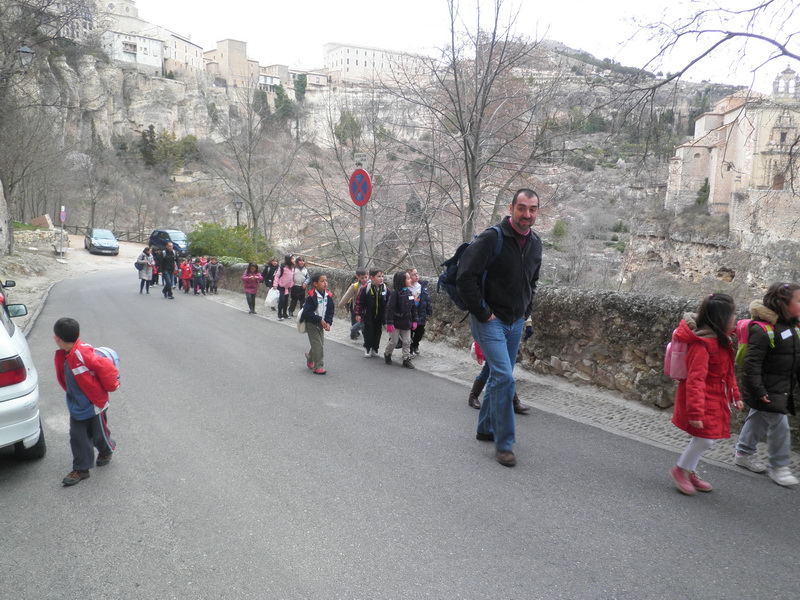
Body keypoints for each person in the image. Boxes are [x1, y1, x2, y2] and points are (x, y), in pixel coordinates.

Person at [456, 188, 542, 467]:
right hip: (489, 320)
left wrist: (526, 312)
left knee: (496, 373)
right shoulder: (492, 238)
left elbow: (532, 282)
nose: (527, 214)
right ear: (511, 208)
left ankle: (485, 428)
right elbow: (464, 277)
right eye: (522, 208)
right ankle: (505, 443)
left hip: (516, 321)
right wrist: (483, 312)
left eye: (532, 209)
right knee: (505, 377)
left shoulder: (536, 243)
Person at [669, 293, 744, 495]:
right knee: (705, 439)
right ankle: (680, 470)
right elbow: (695, 381)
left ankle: (689, 470)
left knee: (703, 438)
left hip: (715, 398)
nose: (736, 318)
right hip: (702, 400)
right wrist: (694, 413)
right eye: (733, 315)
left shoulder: (722, 341)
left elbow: (728, 372)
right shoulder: (702, 345)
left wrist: (735, 395)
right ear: (722, 318)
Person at [735, 282, 800, 487]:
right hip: (763, 387)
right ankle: (778, 466)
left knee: (758, 418)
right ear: (782, 304)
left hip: (778, 386)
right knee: (779, 425)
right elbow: (751, 365)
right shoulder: (763, 330)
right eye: (798, 300)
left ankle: (744, 452)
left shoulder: (793, 327)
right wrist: (759, 390)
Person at [53, 317, 120, 486]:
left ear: (56, 338)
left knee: (99, 435)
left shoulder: (83, 354)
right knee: (77, 436)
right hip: (77, 404)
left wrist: (113, 386)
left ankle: (107, 450)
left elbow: (107, 368)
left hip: (94, 404)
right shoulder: (64, 355)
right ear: (78, 334)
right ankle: (82, 469)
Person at [467, 332, 532, 414]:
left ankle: (513, 401)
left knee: (503, 368)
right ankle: (513, 401)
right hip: (494, 332)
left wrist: (528, 323)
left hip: (511, 329)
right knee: (492, 366)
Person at [300, 272, 334, 375]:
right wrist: (319, 319)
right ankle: (318, 366)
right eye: (322, 281)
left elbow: (330, 311)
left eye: (326, 281)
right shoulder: (311, 296)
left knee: (319, 343)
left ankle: (310, 357)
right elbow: (307, 312)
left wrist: (328, 322)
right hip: (312, 323)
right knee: (318, 344)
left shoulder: (328, 296)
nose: (325, 283)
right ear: (315, 283)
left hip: (321, 323)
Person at [384, 271, 418, 369]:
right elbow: (390, 308)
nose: (410, 280)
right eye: (408, 278)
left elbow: (413, 308)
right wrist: (389, 323)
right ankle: (387, 353)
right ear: (401, 281)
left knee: (407, 341)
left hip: (406, 321)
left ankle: (406, 359)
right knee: (394, 341)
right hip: (395, 321)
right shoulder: (395, 294)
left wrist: (415, 320)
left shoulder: (409, 292)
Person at [355, 269, 389, 358]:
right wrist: (358, 314)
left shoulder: (385, 288)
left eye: (382, 276)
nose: (381, 278)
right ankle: (367, 348)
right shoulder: (365, 289)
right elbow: (359, 302)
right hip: (368, 315)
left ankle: (375, 348)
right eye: (379, 276)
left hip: (379, 316)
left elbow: (389, 302)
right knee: (368, 333)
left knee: (378, 333)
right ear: (372, 277)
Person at [407, 268, 432, 357]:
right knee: (409, 332)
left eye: (417, 274)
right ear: (409, 277)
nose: (416, 276)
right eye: (413, 275)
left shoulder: (422, 286)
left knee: (420, 331)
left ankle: (415, 345)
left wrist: (429, 311)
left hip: (420, 312)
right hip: (409, 313)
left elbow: (427, 300)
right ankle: (409, 349)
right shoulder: (407, 287)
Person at [338, 268, 368, 339]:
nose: (364, 279)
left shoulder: (371, 284)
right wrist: (340, 305)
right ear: (357, 277)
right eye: (362, 278)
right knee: (354, 320)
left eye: (366, 277)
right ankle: (354, 333)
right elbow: (346, 297)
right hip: (355, 307)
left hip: (366, 308)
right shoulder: (355, 286)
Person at [273, 255, 295, 320]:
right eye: (292, 259)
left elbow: (292, 277)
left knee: (286, 300)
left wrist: (292, 284)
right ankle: (280, 314)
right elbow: (277, 276)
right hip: (281, 285)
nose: (294, 260)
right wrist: (275, 284)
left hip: (287, 287)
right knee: (282, 300)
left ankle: (285, 314)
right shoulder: (282, 267)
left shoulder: (292, 267)